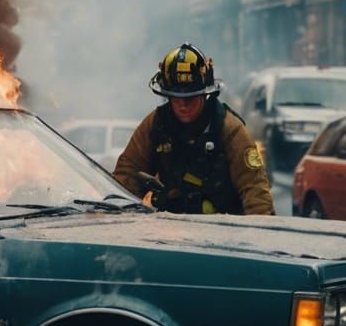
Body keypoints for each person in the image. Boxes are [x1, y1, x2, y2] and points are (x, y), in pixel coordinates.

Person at [113, 42, 274, 216]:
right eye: (176, 98)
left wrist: (258, 229)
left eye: (189, 98)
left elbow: (255, 191)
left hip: (225, 226)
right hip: (171, 227)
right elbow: (126, 176)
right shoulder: (156, 125)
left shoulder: (229, 129)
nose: (183, 105)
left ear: (204, 93)